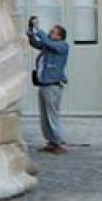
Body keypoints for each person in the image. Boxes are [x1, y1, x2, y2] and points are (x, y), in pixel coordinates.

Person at [27, 16, 70, 154]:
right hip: (43, 83)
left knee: (53, 114)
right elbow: (35, 43)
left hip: (53, 85)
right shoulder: (48, 45)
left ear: (59, 36)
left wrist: (39, 30)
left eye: (52, 32)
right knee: (44, 115)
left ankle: (59, 142)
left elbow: (46, 41)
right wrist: (31, 30)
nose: (50, 34)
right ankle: (51, 141)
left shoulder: (62, 46)